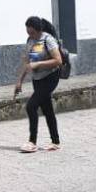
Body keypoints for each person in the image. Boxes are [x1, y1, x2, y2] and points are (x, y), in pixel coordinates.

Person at [14, 15, 64, 154]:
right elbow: (26, 62)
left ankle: (32, 142)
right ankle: (55, 142)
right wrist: (19, 82)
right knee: (47, 109)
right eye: (28, 33)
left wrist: (39, 63)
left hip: (50, 77)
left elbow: (58, 60)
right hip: (37, 79)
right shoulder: (30, 40)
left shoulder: (48, 40)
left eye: (32, 32)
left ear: (39, 30)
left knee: (31, 106)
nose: (30, 35)